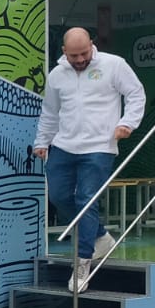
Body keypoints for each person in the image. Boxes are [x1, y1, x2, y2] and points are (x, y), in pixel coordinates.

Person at [33, 26, 146, 294]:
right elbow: (50, 112)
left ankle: (83, 262)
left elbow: (135, 93)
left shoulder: (113, 65)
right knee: (58, 195)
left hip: (100, 146)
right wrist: (42, 141)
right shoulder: (56, 75)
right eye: (74, 56)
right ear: (64, 52)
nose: (81, 59)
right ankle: (100, 236)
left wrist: (128, 123)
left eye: (84, 53)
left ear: (91, 45)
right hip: (64, 144)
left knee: (86, 200)